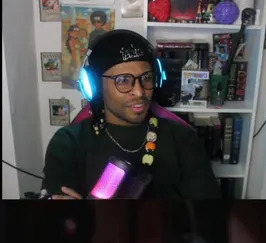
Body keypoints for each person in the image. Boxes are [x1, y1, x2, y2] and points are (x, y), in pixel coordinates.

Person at [41, 30, 219, 200]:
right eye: (123, 80)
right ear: (95, 86)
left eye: (146, 78)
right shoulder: (68, 143)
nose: (140, 92)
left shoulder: (183, 139)